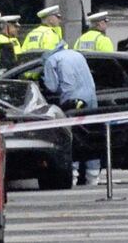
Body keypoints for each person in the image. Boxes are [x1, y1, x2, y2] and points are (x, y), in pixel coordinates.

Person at [42, 41, 100, 186]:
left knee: (72, 137)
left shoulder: (51, 60)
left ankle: (72, 173)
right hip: (92, 99)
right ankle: (93, 175)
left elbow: (52, 87)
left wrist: (42, 79)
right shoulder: (77, 54)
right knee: (92, 136)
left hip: (73, 102)